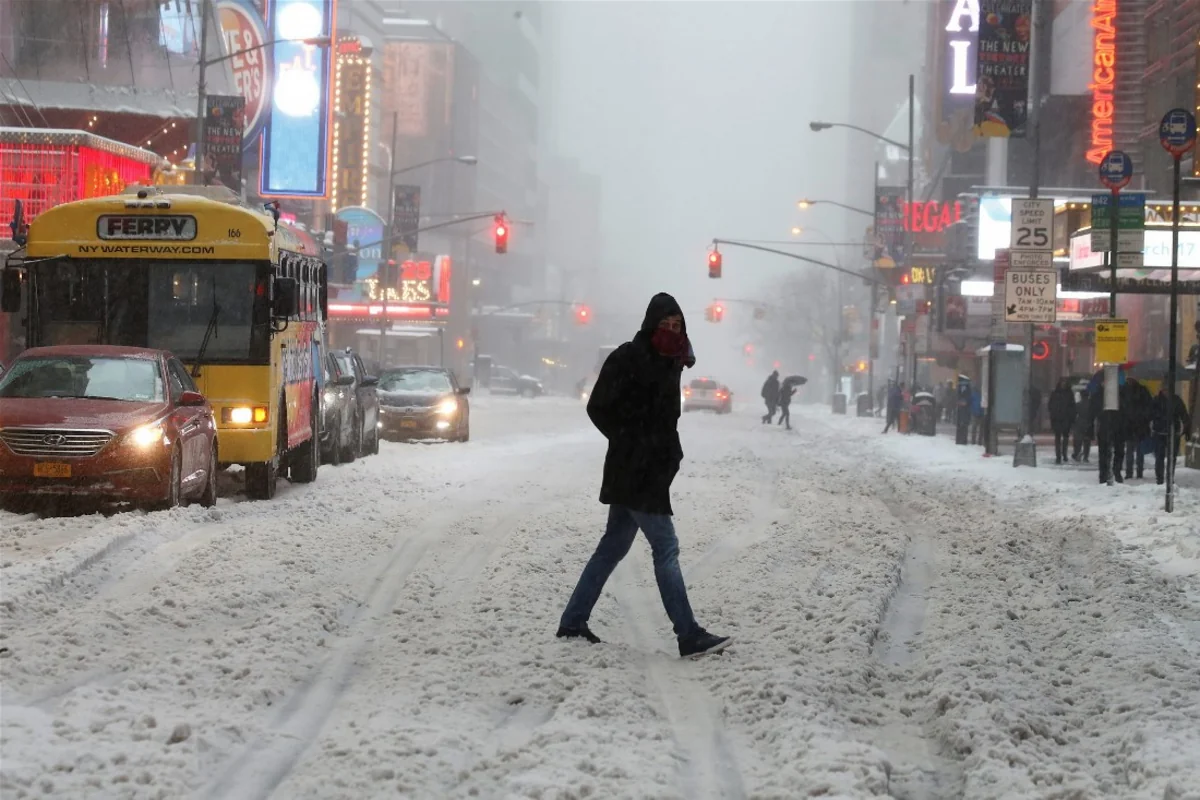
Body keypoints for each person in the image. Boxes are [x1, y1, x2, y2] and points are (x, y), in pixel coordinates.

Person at [557, 293, 731, 659]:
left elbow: (665, 419)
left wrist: (667, 450)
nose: (671, 331)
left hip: (645, 470)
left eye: (677, 325)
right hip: (636, 470)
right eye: (664, 324)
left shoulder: (672, 361)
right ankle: (688, 634)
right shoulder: (628, 357)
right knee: (665, 549)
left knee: (612, 547)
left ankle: (573, 621)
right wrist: (630, 440)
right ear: (650, 323)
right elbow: (598, 406)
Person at [1150, 387, 1191, 486]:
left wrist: (1186, 429)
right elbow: (1150, 414)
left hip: (1173, 432)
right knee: (1159, 456)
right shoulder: (1157, 400)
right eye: (1164, 389)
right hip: (1159, 432)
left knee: (1172, 457)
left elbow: (1184, 414)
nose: (1166, 391)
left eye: (1168, 389)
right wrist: (1160, 418)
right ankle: (1159, 478)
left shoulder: (1176, 400)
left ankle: (1170, 477)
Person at [1122, 378, 1153, 479]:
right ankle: (1131, 472)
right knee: (1131, 450)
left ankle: (1137, 472)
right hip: (1131, 425)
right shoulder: (1125, 390)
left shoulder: (1141, 391)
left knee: (1138, 450)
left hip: (1138, 425)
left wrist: (1144, 417)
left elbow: (1149, 406)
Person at [1047, 379, 1076, 465]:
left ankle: (1064, 454)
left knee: (1065, 438)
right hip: (1057, 419)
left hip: (1066, 419)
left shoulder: (1069, 394)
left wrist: (1071, 416)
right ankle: (1058, 456)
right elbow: (1050, 405)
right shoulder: (1055, 394)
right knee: (1058, 438)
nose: (1063, 385)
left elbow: (1072, 406)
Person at [1071, 387, 1092, 463]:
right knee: (1087, 441)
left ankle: (1077, 454)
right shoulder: (1091, 405)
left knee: (1078, 441)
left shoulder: (1078, 405)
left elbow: (1074, 414)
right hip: (1089, 423)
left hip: (1079, 423)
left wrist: (1073, 424)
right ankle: (1086, 456)